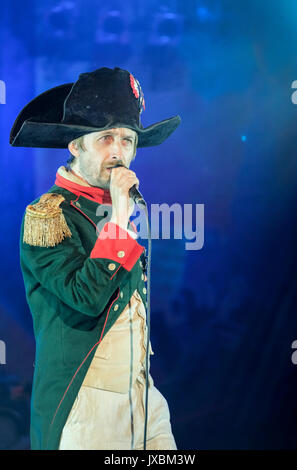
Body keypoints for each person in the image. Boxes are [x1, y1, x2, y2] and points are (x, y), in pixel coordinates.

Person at [10, 66, 181, 450]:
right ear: (76, 145)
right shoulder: (48, 215)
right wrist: (120, 220)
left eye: (127, 139)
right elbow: (85, 297)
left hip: (144, 395)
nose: (119, 151)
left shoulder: (121, 208)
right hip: (87, 403)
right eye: (105, 138)